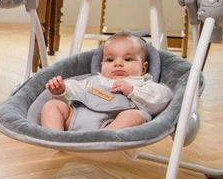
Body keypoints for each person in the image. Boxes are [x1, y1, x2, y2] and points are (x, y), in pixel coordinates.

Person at [39, 32, 172, 131]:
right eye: (110, 60)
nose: (118, 64)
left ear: (143, 68)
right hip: (74, 119)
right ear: (101, 64)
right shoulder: (95, 80)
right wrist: (62, 90)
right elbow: (75, 89)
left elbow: (164, 97)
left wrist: (133, 91)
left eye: (128, 59)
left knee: (135, 116)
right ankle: (55, 138)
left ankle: (102, 138)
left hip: (110, 124)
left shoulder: (142, 84)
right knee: (52, 105)